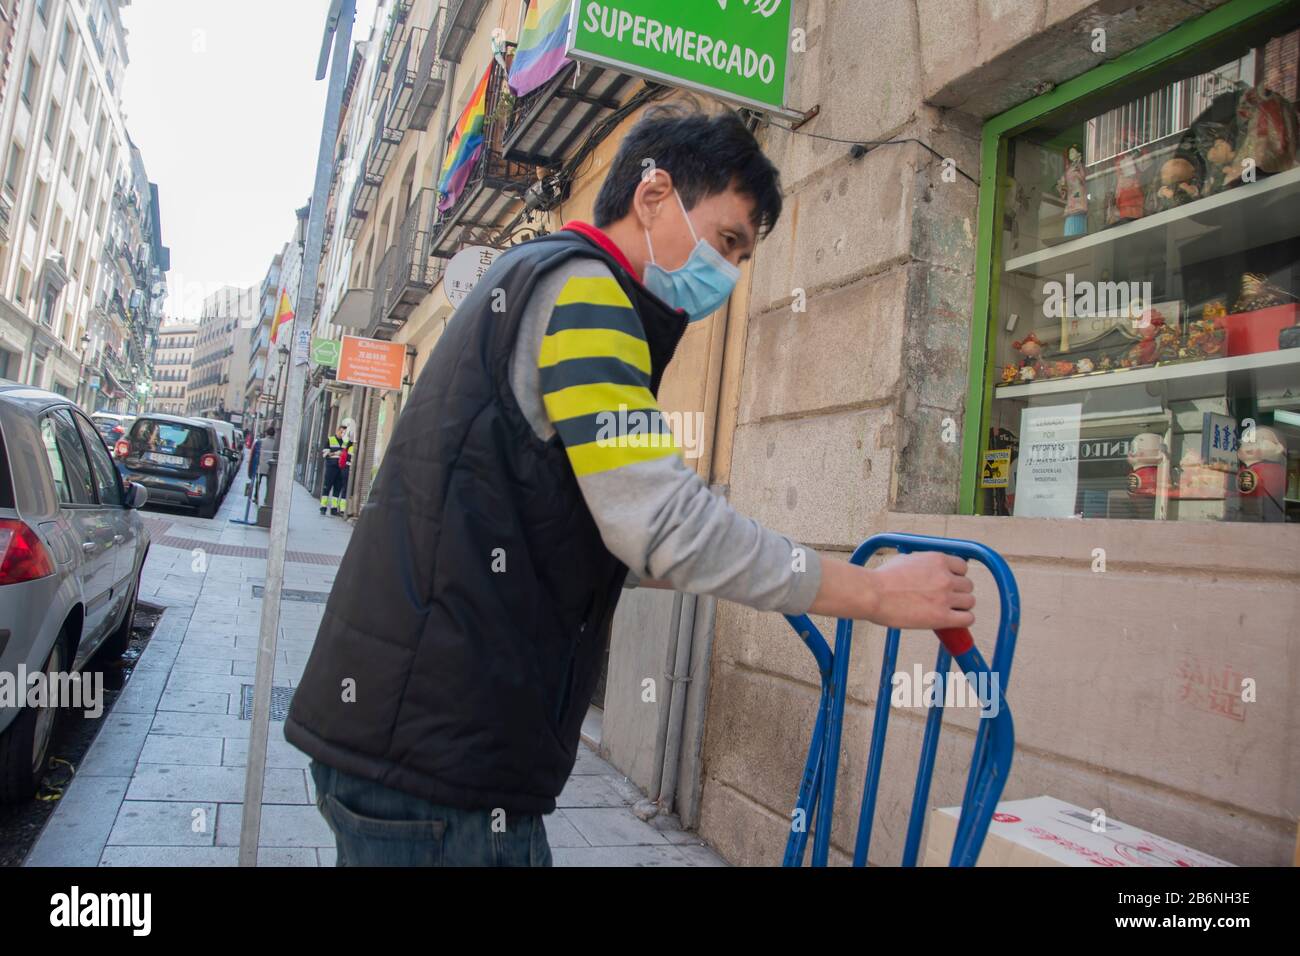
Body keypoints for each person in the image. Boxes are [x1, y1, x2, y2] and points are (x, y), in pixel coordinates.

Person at [285, 105, 975, 867]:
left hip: (413, 745)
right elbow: (664, 525)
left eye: (743, 259)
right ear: (654, 197)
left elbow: (594, 523)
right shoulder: (587, 296)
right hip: (439, 768)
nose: (731, 275)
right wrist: (875, 594)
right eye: (729, 242)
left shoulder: (537, 277)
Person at [319, 424, 354, 515]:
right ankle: (323, 507)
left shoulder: (345, 442)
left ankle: (334, 509)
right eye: (341, 431)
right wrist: (336, 453)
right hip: (331, 467)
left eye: (344, 432)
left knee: (337, 489)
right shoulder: (330, 440)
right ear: (337, 430)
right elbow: (325, 454)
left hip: (341, 468)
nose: (342, 433)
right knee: (327, 487)